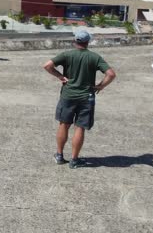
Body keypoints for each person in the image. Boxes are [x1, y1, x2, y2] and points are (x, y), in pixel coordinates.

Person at [42, 30, 116, 168]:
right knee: (80, 128)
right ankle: (74, 160)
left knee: (64, 124)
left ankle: (59, 155)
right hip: (86, 97)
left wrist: (60, 76)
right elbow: (111, 74)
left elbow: (47, 65)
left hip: (68, 95)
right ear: (88, 42)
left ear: (75, 41)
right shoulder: (94, 57)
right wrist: (100, 86)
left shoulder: (67, 55)